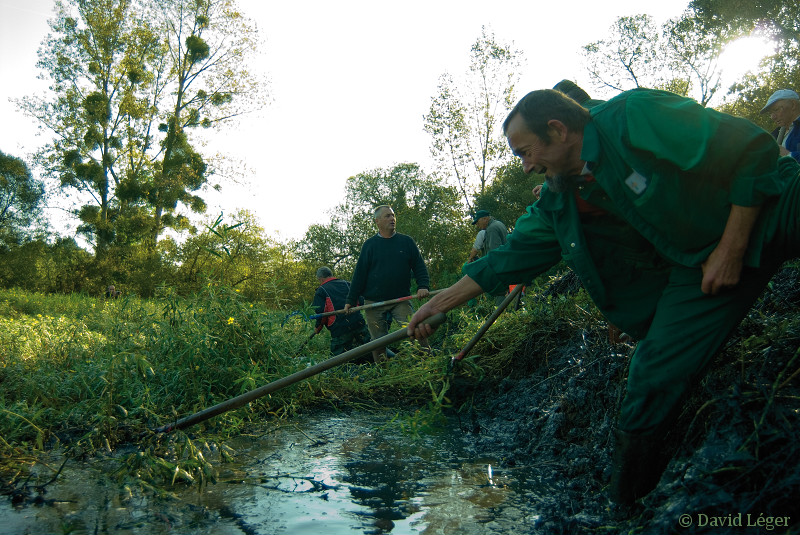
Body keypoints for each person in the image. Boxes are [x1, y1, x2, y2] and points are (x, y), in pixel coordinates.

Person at [407, 87, 800, 505]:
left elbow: (754, 149)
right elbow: (509, 259)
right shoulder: (561, 197)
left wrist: (733, 246)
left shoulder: (634, 116)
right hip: (699, 264)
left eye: (525, 152)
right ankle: (626, 509)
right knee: (650, 377)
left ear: (557, 130)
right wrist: (439, 303)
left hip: (771, 206)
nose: (525, 168)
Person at [345, 205, 431, 362]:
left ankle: (428, 361)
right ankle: (382, 373)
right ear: (377, 221)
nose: (392, 218)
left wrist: (423, 286)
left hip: (401, 299)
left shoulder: (406, 242)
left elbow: (419, 266)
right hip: (373, 302)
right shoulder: (370, 245)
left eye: (393, 215)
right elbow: (359, 275)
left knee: (415, 329)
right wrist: (351, 301)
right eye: (387, 216)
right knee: (378, 341)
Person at [312, 266, 371, 360]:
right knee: (371, 350)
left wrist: (318, 327)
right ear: (330, 274)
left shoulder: (321, 290)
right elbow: (361, 301)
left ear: (321, 278)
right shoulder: (347, 283)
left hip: (339, 330)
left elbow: (321, 313)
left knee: (339, 361)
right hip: (358, 324)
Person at [468, 209, 508, 305]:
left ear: (485, 218)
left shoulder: (492, 229)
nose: (477, 225)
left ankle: (501, 317)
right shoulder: (499, 224)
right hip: (506, 266)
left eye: (478, 222)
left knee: (500, 299)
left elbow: (494, 253)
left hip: (500, 271)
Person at [761, 89, 800, 163]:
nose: (772, 117)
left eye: (776, 110)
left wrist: (788, 155)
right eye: (770, 113)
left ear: (793, 105)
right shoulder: (776, 134)